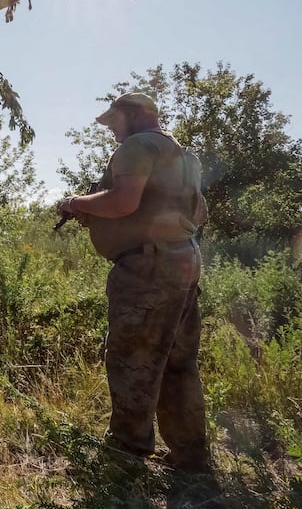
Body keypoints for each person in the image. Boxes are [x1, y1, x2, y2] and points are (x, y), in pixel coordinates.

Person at [57, 91, 211, 473]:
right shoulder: (183, 156)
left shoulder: (137, 146)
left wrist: (77, 203)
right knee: (178, 363)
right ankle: (190, 457)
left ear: (135, 115)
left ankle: (124, 459)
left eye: (114, 121)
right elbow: (201, 212)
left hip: (148, 270)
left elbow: (124, 201)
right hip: (183, 261)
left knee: (133, 359)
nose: (111, 130)